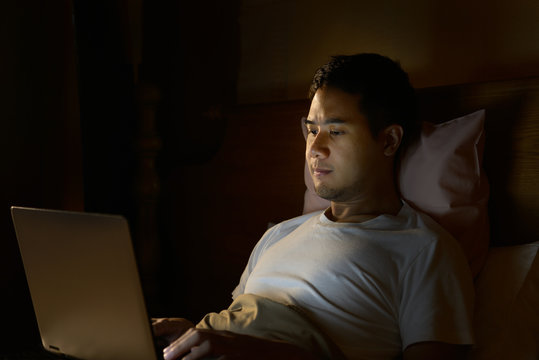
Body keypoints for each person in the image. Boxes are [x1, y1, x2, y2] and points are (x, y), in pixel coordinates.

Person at [153, 54, 475, 360]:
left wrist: (248, 349)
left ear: (389, 141)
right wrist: (189, 336)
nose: (315, 148)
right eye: (311, 130)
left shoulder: (424, 251)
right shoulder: (279, 234)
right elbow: (235, 325)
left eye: (335, 131)